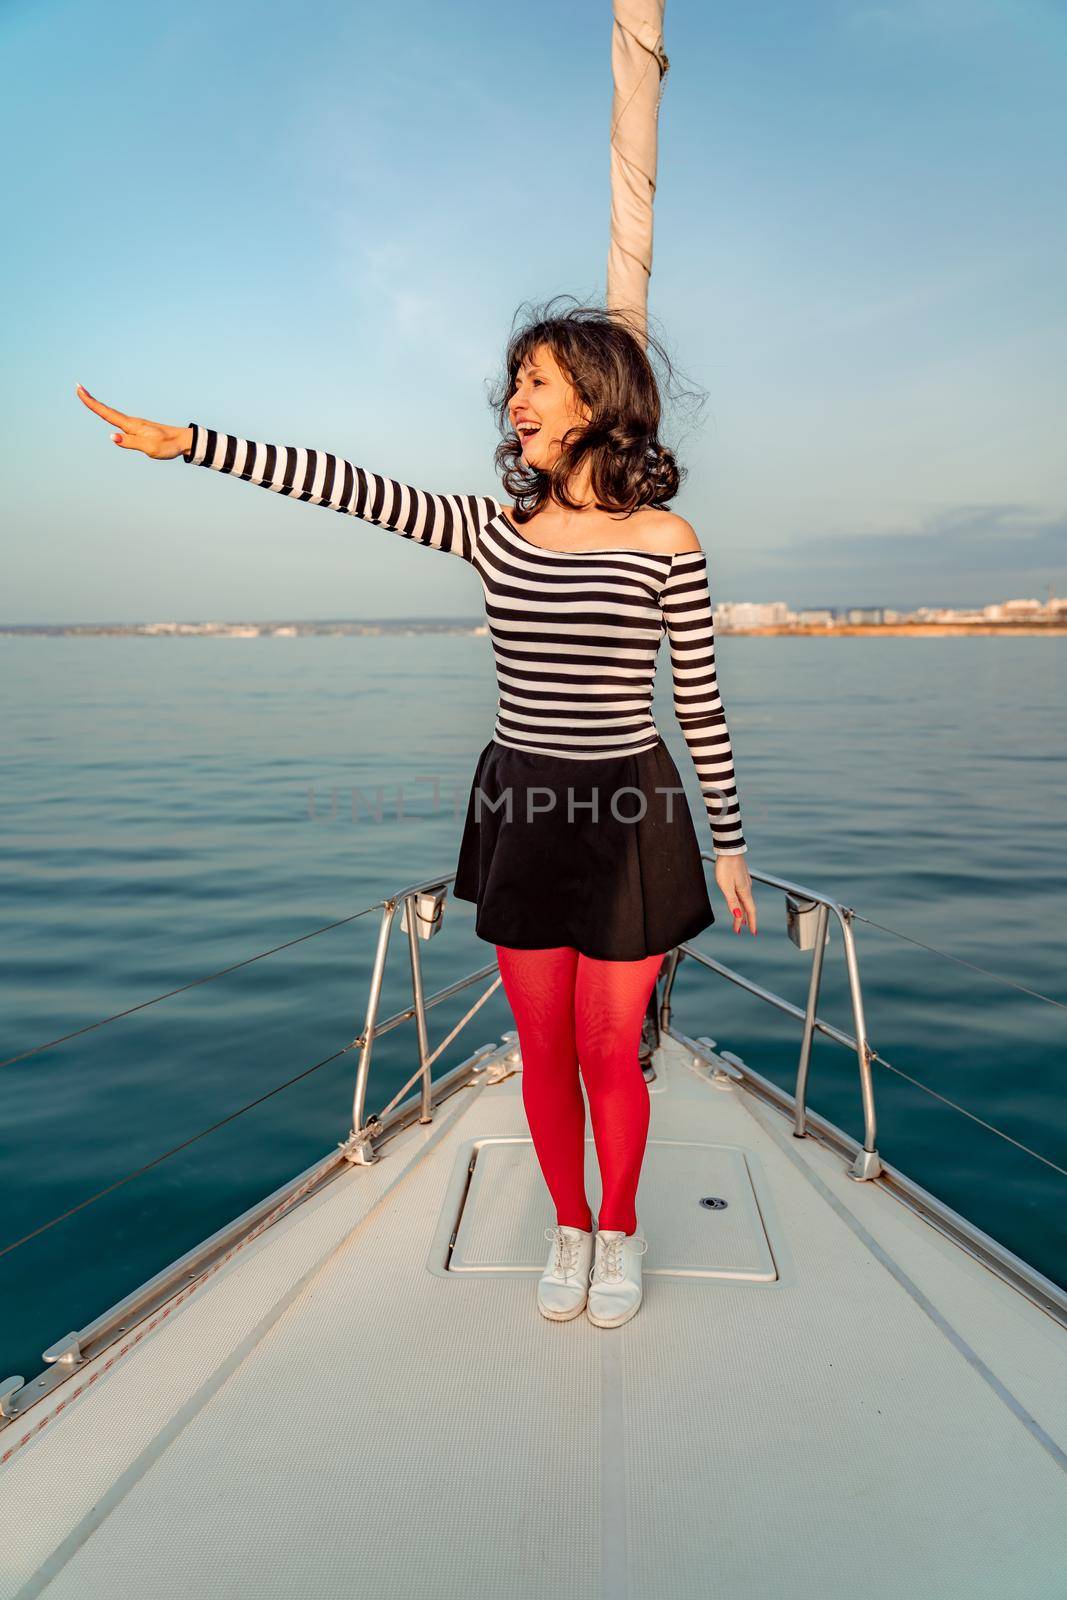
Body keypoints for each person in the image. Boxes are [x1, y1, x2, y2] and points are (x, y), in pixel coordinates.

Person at [74, 299, 757, 1331]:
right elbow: (349, 488)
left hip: (629, 810)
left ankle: (618, 1228)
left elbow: (697, 700)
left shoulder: (666, 538)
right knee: (544, 1042)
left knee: (610, 1044)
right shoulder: (492, 530)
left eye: (535, 379)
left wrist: (731, 843)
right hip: (523, 804)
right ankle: (566, 1224)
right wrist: (192, 445)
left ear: (592, 395)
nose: (514, 398)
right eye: (514, 381)